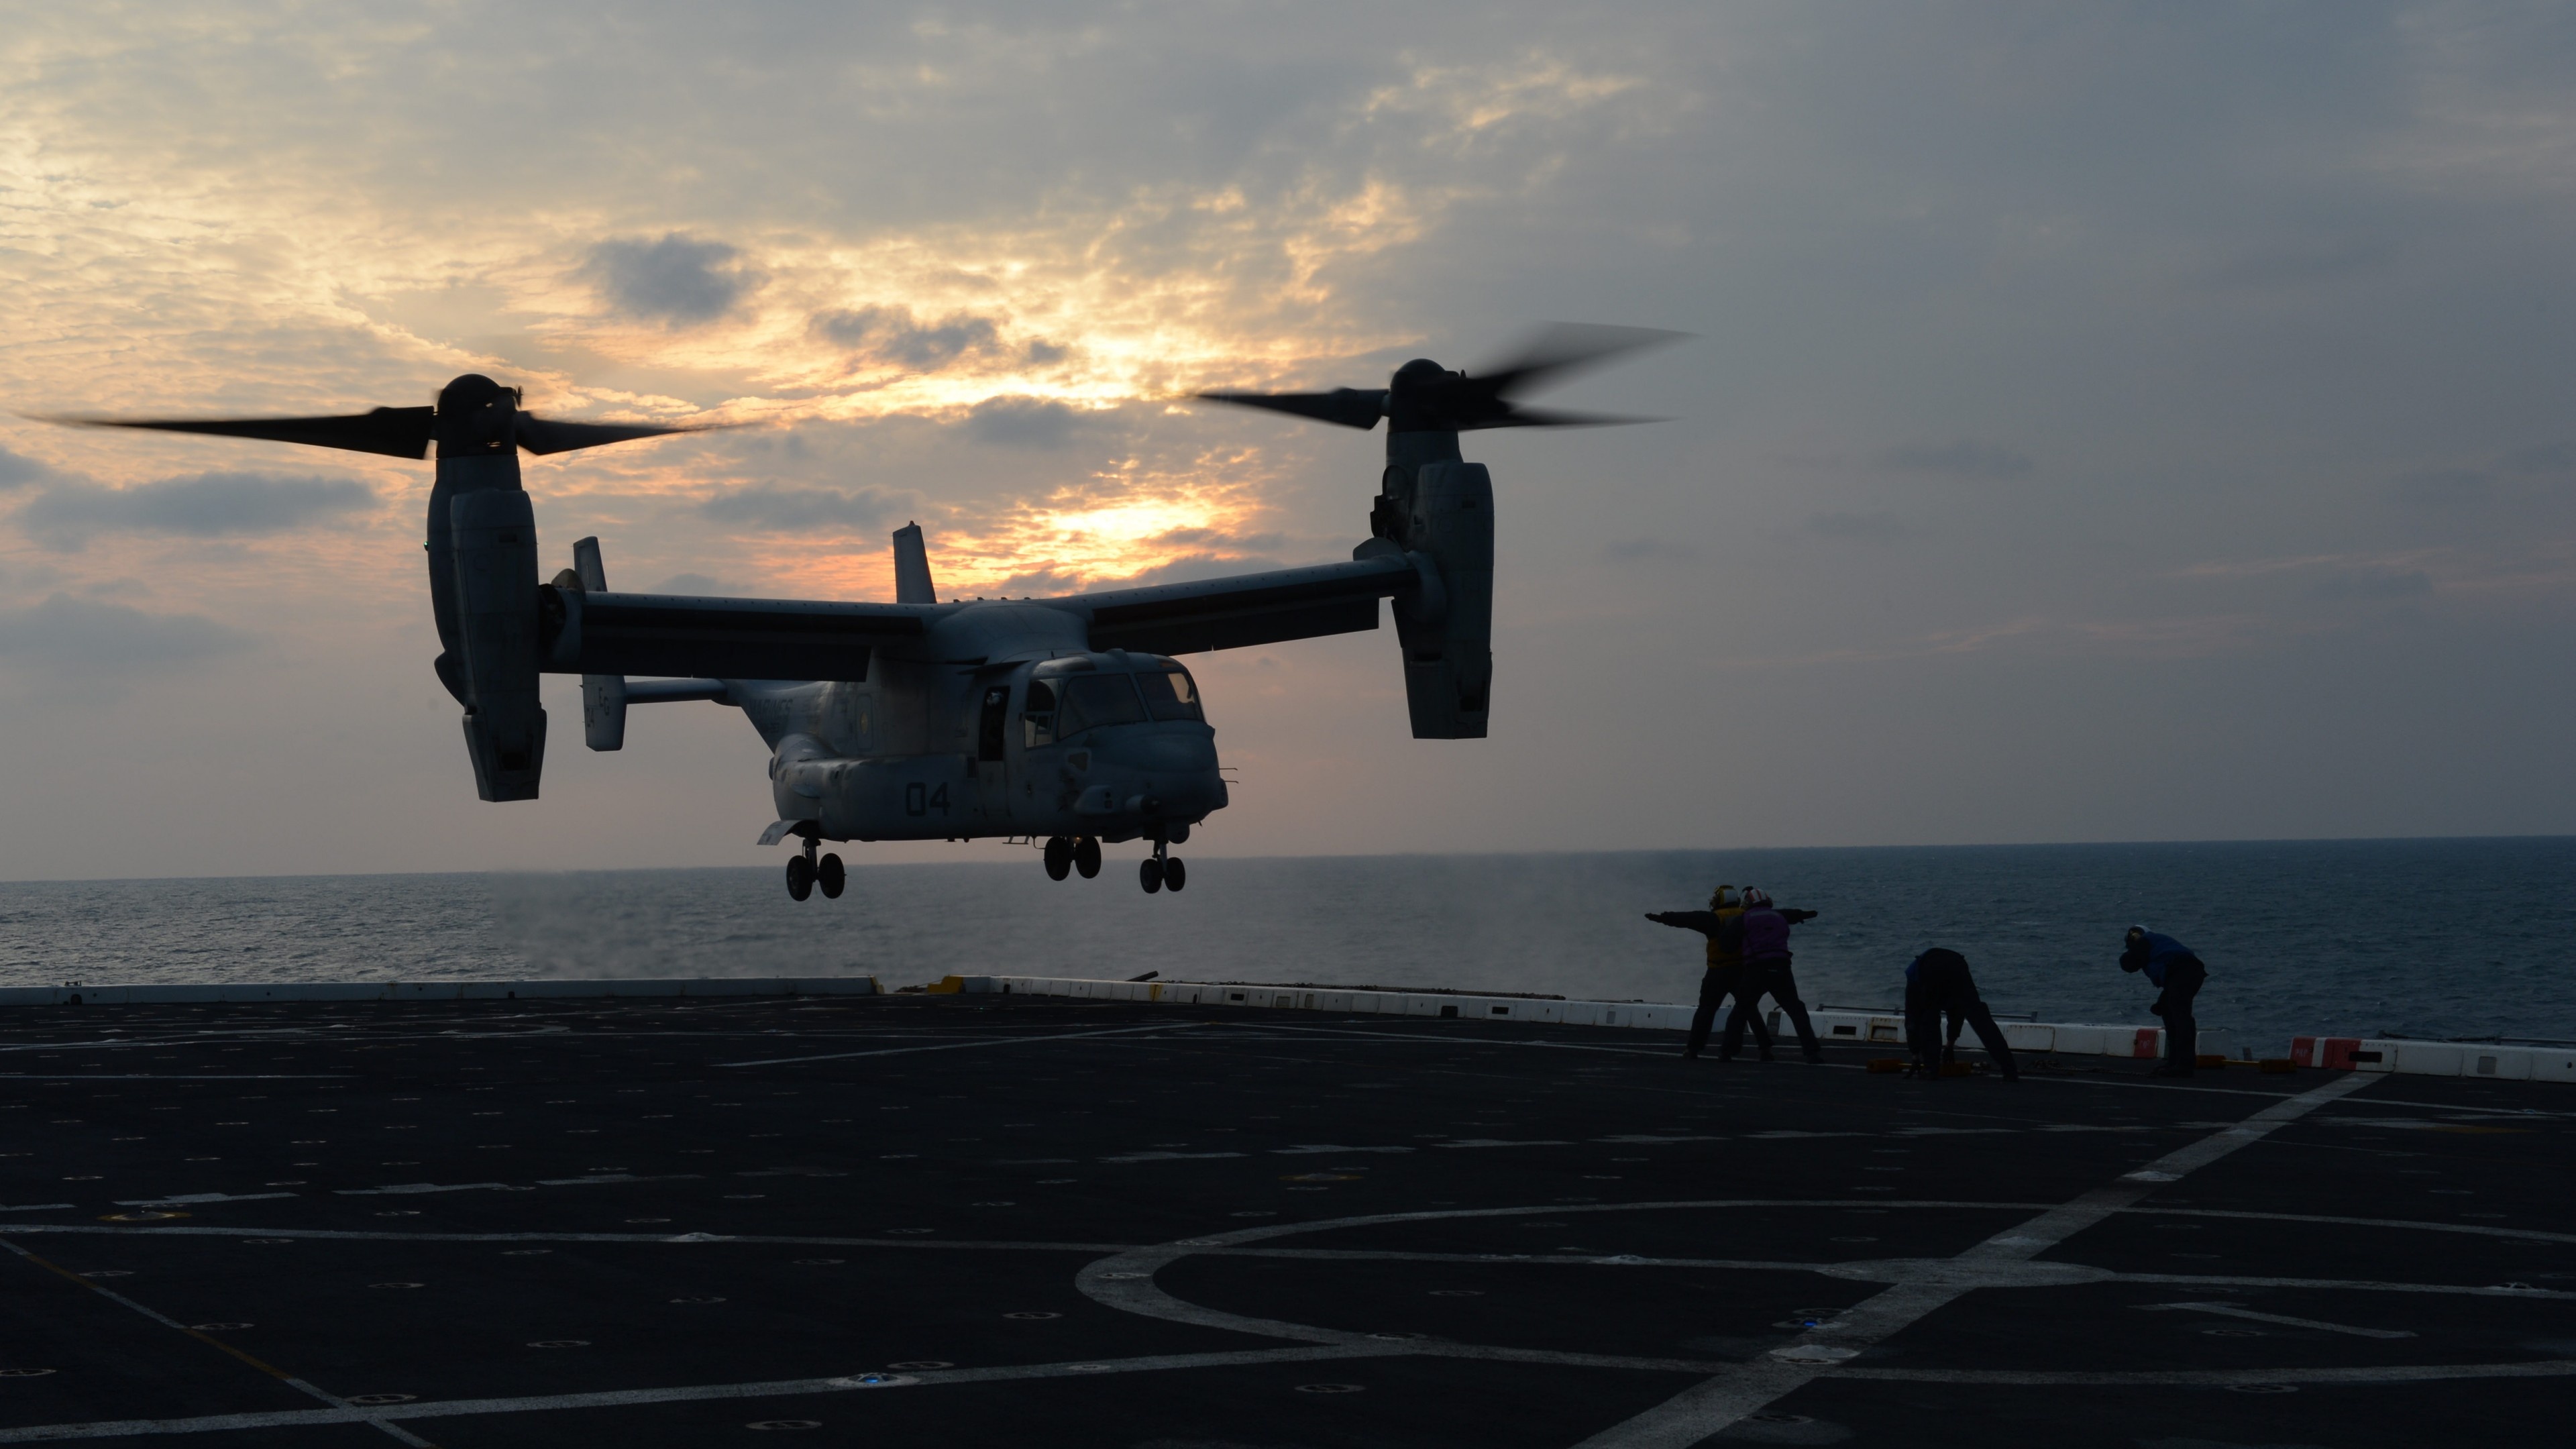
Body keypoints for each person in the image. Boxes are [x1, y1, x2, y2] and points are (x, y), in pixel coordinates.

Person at [1644, 885, 1776, 1061]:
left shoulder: (1714, 918)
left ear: (1719, 900)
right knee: (1749, 1009)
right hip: (1743, 970)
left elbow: (1687, 919)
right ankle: (1764, 1049)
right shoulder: (1746, 915)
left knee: (1706, 1010)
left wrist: (1663, 918)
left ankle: (1693, 1049)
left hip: (1718, 971)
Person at [1723, 888, 1823, 1063]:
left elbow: (1727, 944)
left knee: (1741, 1010)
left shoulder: (1744, 919)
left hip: (1756, 970)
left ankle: (1728, 1051)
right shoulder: (1779, 916)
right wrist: (1804, 914)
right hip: (1781, 969)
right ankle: (1811, 1052)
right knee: (1796, 1009)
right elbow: (1792, 914)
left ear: (1749, 903)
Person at [1903, 948, 2019, 1079]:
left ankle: (1931, 1069)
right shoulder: (1921, 975)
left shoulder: (1913, 981)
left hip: (1931, 968)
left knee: (1929, 1018)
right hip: (1957, 964)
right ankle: (2010, 1070)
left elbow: (1912, 1019)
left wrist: (1915, 1056)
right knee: (1980, 1019)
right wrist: (1950, 1045)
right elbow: (1957, 1014)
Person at [2120, 926, 2208, 1078]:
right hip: (2189, 971)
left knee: (2180, 1018)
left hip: (2181, 971)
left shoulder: (2146, 941)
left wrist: (2126, 956)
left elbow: (2129, 964)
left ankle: (2183, 1065)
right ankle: (2175, 1062)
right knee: (2170, 1013)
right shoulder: (2159, 944)